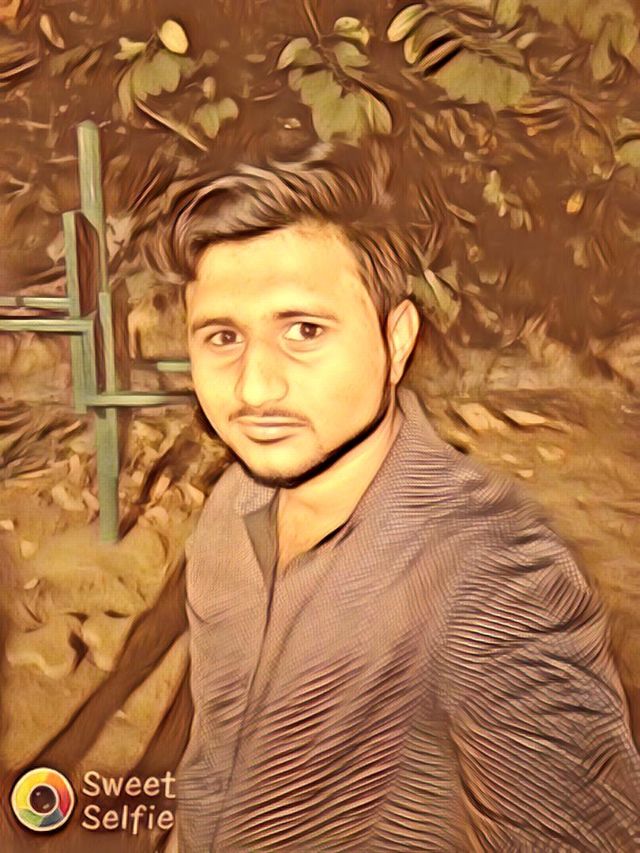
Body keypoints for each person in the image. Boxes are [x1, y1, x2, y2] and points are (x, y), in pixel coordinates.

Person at [157, 146, 640, 852]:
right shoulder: (233, 508)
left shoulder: (497, 579)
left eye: (304, 331)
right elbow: (212, 773)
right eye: (223, 337)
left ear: (398, 338)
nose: (255, 387)